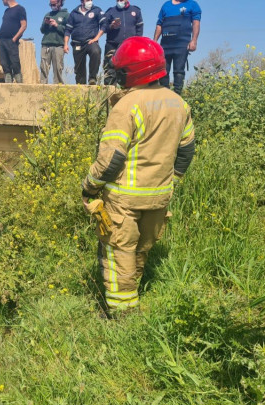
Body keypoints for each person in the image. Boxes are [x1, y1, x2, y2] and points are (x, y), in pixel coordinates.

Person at [81, 36, 195, 315]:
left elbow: (111, 159)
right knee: (140, 250)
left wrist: (89, 187)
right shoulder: (179, 104)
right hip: (159, 196)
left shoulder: (127, 105)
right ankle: (133, 300)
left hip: (124, 198)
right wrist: (171, 182)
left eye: (121, 71)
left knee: (120, 253)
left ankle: (122, 316)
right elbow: (186, 151)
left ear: (131, 71)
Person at [153, 0, 202, 94]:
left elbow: (196, 23)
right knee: (163, 71)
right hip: (165, 45)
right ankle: (165, 94)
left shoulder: (192, 4)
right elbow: (159, 25)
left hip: (182, 44)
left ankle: (177, 95)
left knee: (179, 71)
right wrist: (154, 41)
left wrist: (194, 40)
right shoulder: (166, 5)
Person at [100, 0, 143, 85]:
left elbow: (139, 28)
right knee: (110, 70)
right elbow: (104, 28)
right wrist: (111, 26)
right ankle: (109, 91)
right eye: (118, 0)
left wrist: (136, 42)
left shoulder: (136, 10)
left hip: (129, 46)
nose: (119, 1)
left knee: (129, 70)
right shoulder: (110, 11)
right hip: (112, 45)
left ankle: (129, 89)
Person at [64, 0, 105, 85]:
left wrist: (96, 38)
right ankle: (81, 86)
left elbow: (104, 25)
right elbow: (68, 30)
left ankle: (92, 78)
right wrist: (65, 44)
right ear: (82, 2)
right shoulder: (74, 13)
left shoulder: (96, 10)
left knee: (96, 51)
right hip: (77, 43)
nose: (90, 2)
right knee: (79, 69)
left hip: (90, 41)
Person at [39, 0, 70, 84]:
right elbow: (42, 30)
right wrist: (46, 24)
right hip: (46, 45)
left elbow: (68, 31)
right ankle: (42, 86)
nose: (52, 6)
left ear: (60, 2)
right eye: (51, 4)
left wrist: (57, 25)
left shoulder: (66, 15)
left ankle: (58, 86)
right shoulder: (48, 14)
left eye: (54, 4)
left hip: (58, 45)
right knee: (44, 68)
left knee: (58, 68)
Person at [0, 0, 27, 83]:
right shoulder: (6, 11)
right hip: (2, 40)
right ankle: (8, 83)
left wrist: (14, 39)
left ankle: (19, 84)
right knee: (4, 62)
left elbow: (24, 25)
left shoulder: (20, 9)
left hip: (11, 41)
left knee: (15, 62)